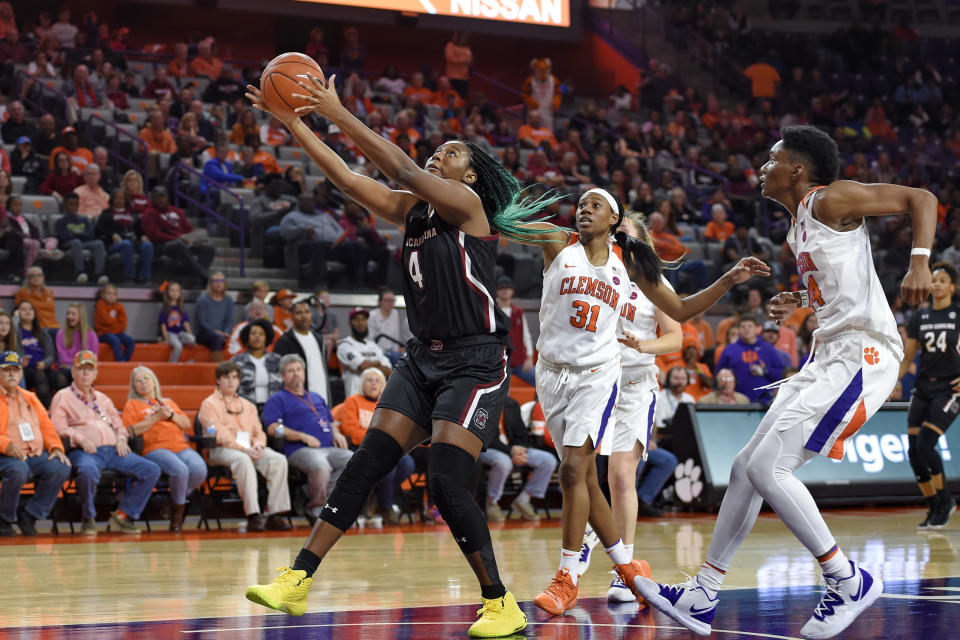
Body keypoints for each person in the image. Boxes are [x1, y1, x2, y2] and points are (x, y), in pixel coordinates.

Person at [243, 67, 571, 636]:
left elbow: (398, 167)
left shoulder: (468, 206)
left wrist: (334, 109)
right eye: (436, 152)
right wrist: (294, 122)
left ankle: (500, 603)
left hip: (476, 362)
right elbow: (348, 179)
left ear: (471, 172)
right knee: (367, 463)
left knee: (445, 479)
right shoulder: (413, 212)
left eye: (450, 152)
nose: (438, 156)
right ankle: (297, 578)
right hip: (424, 358)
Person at [636, 125, 936, 639]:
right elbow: (839, 284)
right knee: (746, 467)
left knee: (771, 467)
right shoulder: (798, 226)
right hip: (830, 355)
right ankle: (704, 592)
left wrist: (920, 262)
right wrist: (801, 300)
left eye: (771, 158)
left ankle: (847, 580)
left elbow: (920, 197)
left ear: (796, 169)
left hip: (862, 355)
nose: (761, 167)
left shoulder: (830, 198)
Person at [513, 187, 767, 617]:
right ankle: (629, 568)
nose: (584, 209)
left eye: (597, 205)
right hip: (551, 374)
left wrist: (727, 280)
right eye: (581, 204)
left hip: (602, 377)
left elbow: (682, 313)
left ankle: (567, 576)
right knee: (586, 482)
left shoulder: (629, 266)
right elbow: (507, 222)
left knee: (580, 472)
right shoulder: (558, 244)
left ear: (615, 223)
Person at [576, 210, 684, 602]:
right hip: (596, 382)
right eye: (614, 234)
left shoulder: (654, 281)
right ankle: (590, 535)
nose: (616, 239)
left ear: (639, 242)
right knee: (584, 472)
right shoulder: (592, 273)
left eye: (624, 234)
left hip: (637, 387)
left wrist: (644, 345)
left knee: (621, 476)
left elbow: (675, 338)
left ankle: (625, 570)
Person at [51, 350, 162, 535]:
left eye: (90, 369)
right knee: (87, 471)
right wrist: (81, 438)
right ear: (73, 372)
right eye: (81, 369)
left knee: (152, 470)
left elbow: (119, 425)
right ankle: (88, 517)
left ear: (95, 373)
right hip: (85, 451)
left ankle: (122, 516)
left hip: (113, 450)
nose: (86, 373)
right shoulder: (63, 397)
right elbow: (59, 428)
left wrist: (121, 439)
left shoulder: (103, 399)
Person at [900, 261, 960, 530]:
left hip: (950, 388)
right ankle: (934, 506)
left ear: (953, 287)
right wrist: (893, 382)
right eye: (934, 279)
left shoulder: (958, 315)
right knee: (913, 452)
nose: (936, 283)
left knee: (925, 443)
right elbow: (907, 356)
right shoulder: (918, 317)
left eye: (943, 280)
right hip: (923, 387)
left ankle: (945, 500)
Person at [198, 362, 291, 532]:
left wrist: (259, 446)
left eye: (234, 378)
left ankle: (275, 514)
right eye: (226, 377)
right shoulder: (208, 404)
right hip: (220, 450)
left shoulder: (248, 405)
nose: (231, 381)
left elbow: (259, 431)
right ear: (218, 380)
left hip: (250, 448)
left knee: (278, 460)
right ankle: (253, 515)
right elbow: (220, 435)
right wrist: (244, 449)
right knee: (243, 460)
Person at [262, 354, 353, 525]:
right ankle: (315, 509)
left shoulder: (316, 397)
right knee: (321, 465)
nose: (295, 374)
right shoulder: (277, 399)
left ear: (304, 373)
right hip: (298, 449)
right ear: (283, 376)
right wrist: (301, 436)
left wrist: (337, 434)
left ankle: (323, 500)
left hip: (329, 447)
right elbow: (273, 428)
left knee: (353, 460)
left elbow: (331, 422)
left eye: (298, 369)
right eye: (290, 371)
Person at [122, 366, 207, 532]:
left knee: (199, 469)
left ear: (154, 381)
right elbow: (131, 431)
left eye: (146, 378)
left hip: (181, 446)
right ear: (134, 387)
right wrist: (155, 418)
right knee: (180, 470)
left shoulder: (168, 402)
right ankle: (177, 516)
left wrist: (170, 415)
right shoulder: (132, 404)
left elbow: (186, 423)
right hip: (155, 448)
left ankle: (173, 502)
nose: (143, 383)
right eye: (138, 381)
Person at [0, 350, 72, 536]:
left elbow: (46, 426)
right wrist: (6, 444)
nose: (11, 374)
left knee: (60, 467)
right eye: (6, 370)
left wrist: (55, 447)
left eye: (15, 370)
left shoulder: (29, 397)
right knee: (18, 470)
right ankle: (4, 518)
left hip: (33, 453)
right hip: (6, 455)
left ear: (21, 374)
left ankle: (30, 514)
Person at [336, 367, 415, 525]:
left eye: (377, 380)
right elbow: (349, 429)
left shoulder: (388, 403)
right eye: (369, 380)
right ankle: (385, 507)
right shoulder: (353, 401)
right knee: (388, 466)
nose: (373, 384)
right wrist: (375, 441)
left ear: (383, 385)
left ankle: (377, 496)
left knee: (408, 464)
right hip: (363, 448)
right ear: (361, 383)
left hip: (387, 447)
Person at [478, 395, 557, 523]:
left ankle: (524, 499)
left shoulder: (511, 404)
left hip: (512, 449)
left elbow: (521, 433)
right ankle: (491, 502)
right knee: (503, 462)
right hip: (486, 449)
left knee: (548, 460)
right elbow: (486, 439)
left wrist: (520, 449)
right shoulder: (482, 403)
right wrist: (511, 451)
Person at [141, 186, 214, 283]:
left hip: (182, 243)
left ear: (167, 197)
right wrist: (177, 238)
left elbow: (188, 229)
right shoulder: (149, 213)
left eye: (163, 197)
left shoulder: (177, 211)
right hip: (162, 246)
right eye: (158, 197)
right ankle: (203, 274)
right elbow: (154, 235)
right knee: (177, 244)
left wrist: (195, 239)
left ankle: (193, 277)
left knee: (208, 248)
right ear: (153, 199)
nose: (161, 200)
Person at [715, 315, 785, 404]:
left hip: (765, 401)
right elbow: (719, 374)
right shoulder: (730, 349)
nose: (746, 329)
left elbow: (781, 374)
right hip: (737, 401)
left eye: (750, 326)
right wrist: (726, 387)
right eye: (743, 326)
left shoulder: (768, 348)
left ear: (756, 328)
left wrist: (766, 371)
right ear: (739, 330)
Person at [274, 301, 330, 404]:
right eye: (299, 313)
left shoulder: (320, 340)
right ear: (292, 317)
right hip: (298, 399)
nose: (304, 316)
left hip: (323, 396)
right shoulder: (284, 341)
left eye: (307, 312)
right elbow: (280, 374)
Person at [95, 188, 154, 283]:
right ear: (112, 200)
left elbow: (140, 230)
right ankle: (129, 277)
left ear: (126, 200)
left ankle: (145, 277)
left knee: (148, 245)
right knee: (126, 244)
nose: (119, 200)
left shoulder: (133, 213)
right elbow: (98, 231)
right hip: (114, 244)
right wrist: (112, 235)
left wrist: (143, 235)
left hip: (133, 242)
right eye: (116, 198)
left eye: (121, 198)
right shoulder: (106, 213)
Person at [336, 307, 392, 398]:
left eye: (363, 319)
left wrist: (369, 364)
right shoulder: (345, 345)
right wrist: (378, 363)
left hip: (376, 401)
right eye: (356, 320)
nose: (360, 323)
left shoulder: (373, 345)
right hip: (355, 398)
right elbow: (362, 366)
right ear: (350, 323)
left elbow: (388, 371)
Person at [232, 319, 283, 414]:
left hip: (274, 409)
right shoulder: (237, 361)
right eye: (253, 333)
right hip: (245, 410)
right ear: (247, 338)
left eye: (261, 334)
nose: (257, 336)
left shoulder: (277, 360)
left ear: (266, 338)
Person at [56, 192, 108, 284]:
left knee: (99, 243)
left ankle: (98, 273)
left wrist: (75, 234)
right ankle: (80, 272)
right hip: (69, 244)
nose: (73, 207)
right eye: (70, 204)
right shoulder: (61, 221)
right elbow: (64, 236)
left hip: (83, 243)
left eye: (76, 205)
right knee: (76, 242)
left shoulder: (84, 219)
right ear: (65, 206)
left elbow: (91, 235)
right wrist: (80, 235)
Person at [13, 301, 56, 406]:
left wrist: (45, 363)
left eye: (30, 309)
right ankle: (45, 410)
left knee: (60, 378)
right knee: (39, 376)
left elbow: (51, 354)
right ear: (18, 313)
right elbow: (15, 347)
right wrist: (15, 318)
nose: (27, 311)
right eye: (23, 309)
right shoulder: (16, 332)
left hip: (43, 367)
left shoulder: (43, 333)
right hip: (26, 369)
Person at [495, 277, 535, 386]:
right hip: (497, 364)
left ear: (512, 291)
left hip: (518, 362)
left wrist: (529, 359)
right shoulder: (492, 311)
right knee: (501, 390)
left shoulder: (518, 312)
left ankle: (538, 403)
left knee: (540, 379)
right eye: (502, 288)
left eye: (508, 288)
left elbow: (526, 336)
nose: (505, 291)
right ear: (497, 291)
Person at [194, 272, 234, 362]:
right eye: (215, 281)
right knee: (216, 338)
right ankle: (219, 368)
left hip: (222, 334)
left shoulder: (228, 300)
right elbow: (202, 322)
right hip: (204, 333)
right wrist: (217, 332)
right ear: (210, 283)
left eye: (221, 281)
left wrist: (226, 333)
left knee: (233, 338)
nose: (218, 283)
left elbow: (229, 321)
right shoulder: (203, 299)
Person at [366, 289, 409, 367]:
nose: (390, 303)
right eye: (387, 300)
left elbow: (396, 336)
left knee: (405, 359)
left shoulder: (395, 313)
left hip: (392, 352)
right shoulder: (372, 315)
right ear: (380, 302)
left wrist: (396, 352)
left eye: (392, 300)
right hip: (377, 351)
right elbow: (370, 339)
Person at [94, 283, 134, 362]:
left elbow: (123, 325)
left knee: (130, 341)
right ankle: (120, 362)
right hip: (103, 333)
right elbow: (105, 320)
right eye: (109, 293)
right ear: (102, 295)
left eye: (114, 294)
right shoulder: (100, 304)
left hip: (117, 333)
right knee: (115, 340)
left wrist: (111, 324)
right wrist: (116, 322)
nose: (112, 296)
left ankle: (125, 362)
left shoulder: (119, 306)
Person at [444, 32, 472, 98]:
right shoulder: (450, 45)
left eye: (465, 38)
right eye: (463, 37)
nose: (464, 39)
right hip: (454, 76)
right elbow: (450, 58)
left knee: (463, 96)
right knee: (455, 96)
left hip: (465, 77)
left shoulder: (467, 48)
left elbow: (470, 59)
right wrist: (463, 61)